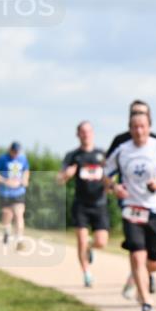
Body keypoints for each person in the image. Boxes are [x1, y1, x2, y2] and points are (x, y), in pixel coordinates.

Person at [104, 111, 156, 311]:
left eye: (143, 126)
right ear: (130, 129)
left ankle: (137, 278)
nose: (139, 131)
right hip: (132, 209)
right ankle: (146, 302)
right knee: (137, 255)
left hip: (155, 210)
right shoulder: (122, 150)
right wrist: (115, 187)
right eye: (135, 127)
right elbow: (104, 174)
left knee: (154, 262)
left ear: (149, 127)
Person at [58, 121, 109, 287]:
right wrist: (67, 174)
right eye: (82, 132)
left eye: (88, 131)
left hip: (100, 203)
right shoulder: (72, 156)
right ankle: (87, 273)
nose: (86, 134)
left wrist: (110, 184)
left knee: (101, 242)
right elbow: (58, 179)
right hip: (81, 204)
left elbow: (111, 175)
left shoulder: (102, 154)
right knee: (80, 240)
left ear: (92, 133)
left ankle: (90, 247)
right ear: (78, 135)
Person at [0, 141, 30, 251]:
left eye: (17, 151)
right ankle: (7, 231)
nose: (15, 153)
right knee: (7, 215)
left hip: (19, 192)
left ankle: (19, 241)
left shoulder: (23, 159)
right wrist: (4, 181)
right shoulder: (2, 159)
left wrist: (25, 180)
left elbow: (26, 171)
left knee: (19, 214)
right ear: (10, 150)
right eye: (14, 151)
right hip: (5, 193)